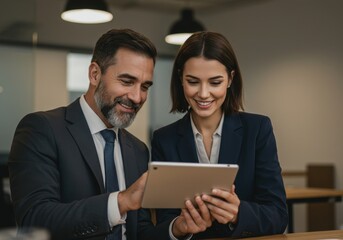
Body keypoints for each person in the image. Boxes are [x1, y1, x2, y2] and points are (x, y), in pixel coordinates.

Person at [8, 28, 157, 240]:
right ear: (94, 74)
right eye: (126, 81)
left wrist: (178, 229)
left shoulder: (139, 149)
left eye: (145, 86)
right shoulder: (41, 129)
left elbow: (138, 231)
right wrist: (120, 202)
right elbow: (34, 219)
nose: (137, 96)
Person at [138, 31, 288, 239]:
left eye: (215, 82)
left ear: (230, 79)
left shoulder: (257, 129)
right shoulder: (164, 139)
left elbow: (278, 215)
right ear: (181, 78)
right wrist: (179, 227)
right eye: (193, 81)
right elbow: (166, 220)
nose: (203, 93)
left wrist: (238, 214)